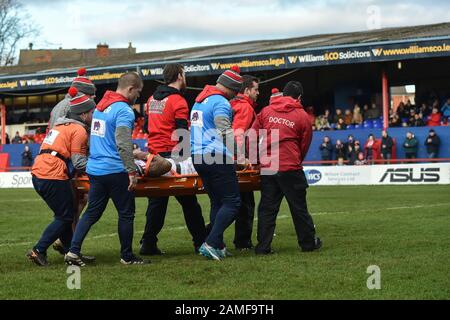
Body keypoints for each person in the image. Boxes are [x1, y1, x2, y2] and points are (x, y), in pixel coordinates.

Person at [65, 72, 146, 266]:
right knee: (126, 213)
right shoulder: (124, 111)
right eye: (138, 92)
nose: (138, 97)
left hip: (96, 169)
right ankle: (127, 256)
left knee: (92, 212)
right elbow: (123, 144)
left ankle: (73, 252)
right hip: (115, 169)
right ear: (130, 89)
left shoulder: (100, 107)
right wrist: (132, 171)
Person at [139, 63, 206, 255]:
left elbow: (145, 128)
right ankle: (200, 242)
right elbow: (182, 134)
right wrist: (185, 162)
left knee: (157, 203)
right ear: (179, 76)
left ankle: (149, 243)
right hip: (171, 158)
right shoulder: (178, 101)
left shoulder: (151, 99)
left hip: (153, 156)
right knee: (190, 203)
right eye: (184, 75)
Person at [26, 87, 96, 266]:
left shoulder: (61, 125)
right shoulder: (79, 131)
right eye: (92, 112)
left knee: (64, 214)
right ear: (84, 114)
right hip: (53, 174)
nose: (94, 115)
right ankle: (38, 249)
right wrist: (101, 169)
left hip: (40, 172)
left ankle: (70, 251)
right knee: (65, 217)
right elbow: (80, 163)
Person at [251, 81, 322, 255]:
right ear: (299, 97)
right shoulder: (302, 115)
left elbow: (252, 134)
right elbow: (304, 144)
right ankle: (307, 244)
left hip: (269, 166)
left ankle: (263, 247)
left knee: (267, 209)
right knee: (299, 208)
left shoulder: (266, 111)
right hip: (290, 166)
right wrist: (297, 159)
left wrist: (255, 159)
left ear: (283, 95)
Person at [190, 65, 243, 260]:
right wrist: (239, 156)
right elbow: (225, 131)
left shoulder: (198, 102)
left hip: (198, 156)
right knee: (232, 202)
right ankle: (211, 242)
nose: (235, 95)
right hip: (216, 156)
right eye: (235, 91)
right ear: (230, 88)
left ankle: (217, 245)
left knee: (217, 202)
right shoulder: (220, 102)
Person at [49, 67, 96, 255]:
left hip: (60, 160)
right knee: (77, 202)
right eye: (92, 96)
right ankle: (71, 246)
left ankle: (68, 242)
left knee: (75, 202)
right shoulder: (75, 107)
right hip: (69, 161)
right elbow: (78, 135)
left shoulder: (58, 106)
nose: (93, 101)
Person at [230, 75, 259, 250]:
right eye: (255, 89)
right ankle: (242, 242)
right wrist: (240, 158)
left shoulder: (230, 104)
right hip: (237, 162)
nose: (258, 93)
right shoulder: (245, 107)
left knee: (227, 201)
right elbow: (238, 134)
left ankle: (209, 235)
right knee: (246, 203)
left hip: (222, 158)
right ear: (247, 90)